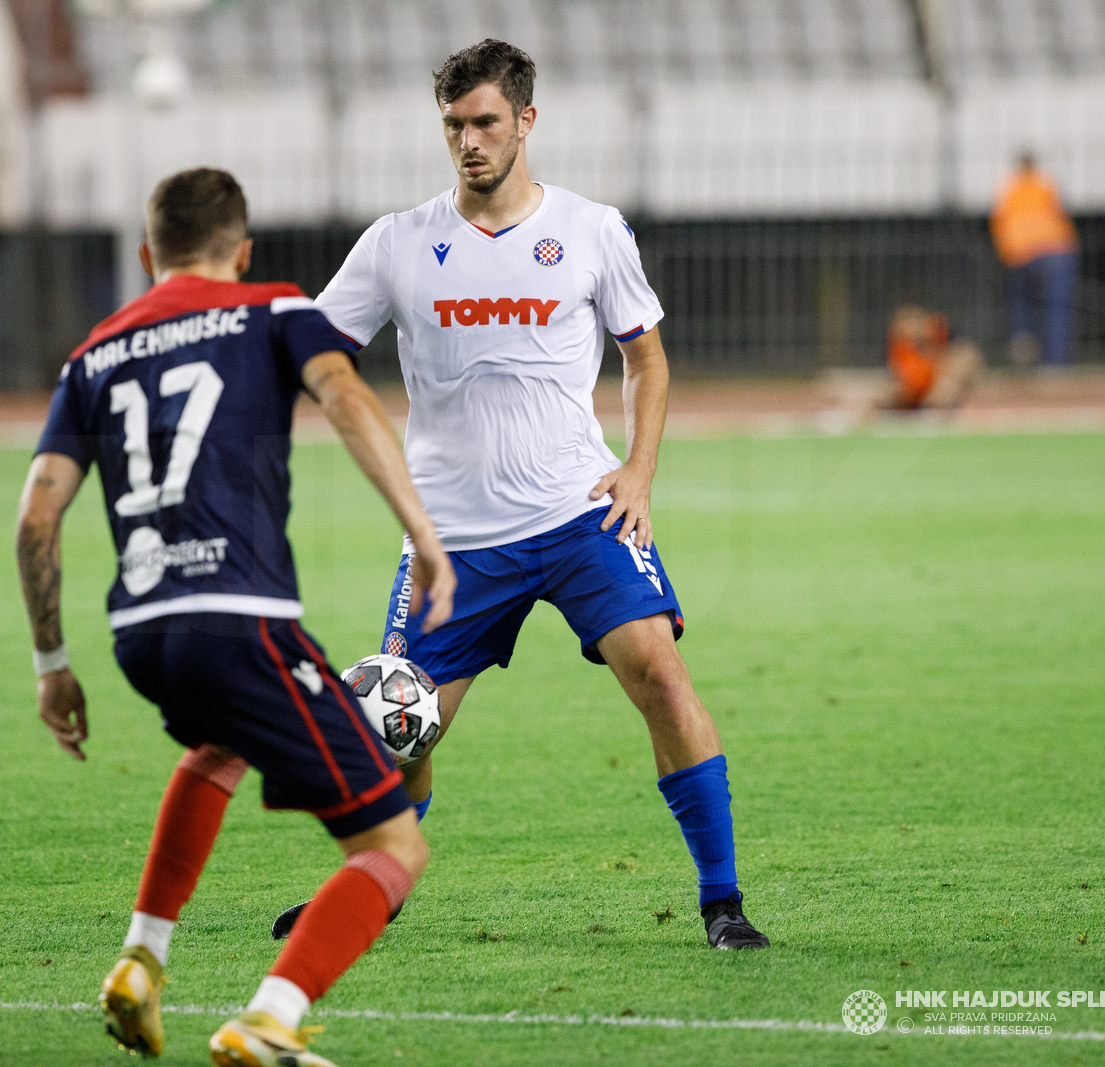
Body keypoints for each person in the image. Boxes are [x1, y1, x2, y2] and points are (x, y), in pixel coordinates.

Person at [270, 40, 768, 951]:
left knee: (660, 672)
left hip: (583, 512)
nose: (468, 140)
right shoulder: (396, 243)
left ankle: (722, 900)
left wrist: (640, 469)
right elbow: (310, 348)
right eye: (455, 124)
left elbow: (645, 356)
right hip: (452, 536)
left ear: (525, 123)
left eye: (486, 121)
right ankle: (376, 883)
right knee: (400, 728)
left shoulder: (590, 229)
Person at [16, 167, 456, 1066]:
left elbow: (36, 516)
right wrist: (423, 530)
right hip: (241, 621)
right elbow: (343, 397)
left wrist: (51, 660)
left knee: (217, 744)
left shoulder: (93, 354)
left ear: (149, 256)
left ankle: (141, 960)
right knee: (394, 847)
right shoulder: (275, 309)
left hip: (141, 634)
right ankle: (272, 1017)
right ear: (243, 248)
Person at [990, 151, 1079, 369]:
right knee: (1056, 307)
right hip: (1055, 248)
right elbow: (1059, 212)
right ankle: (1055, 363)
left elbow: (999, 222)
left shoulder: (1008, 186)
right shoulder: (1046, 182)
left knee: (1021, 298)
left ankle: (1023, 335)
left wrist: (1007, 252)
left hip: (1022, 251)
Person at [881, 305, 982, 411]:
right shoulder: (901, 348)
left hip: (942, 377)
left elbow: (965, 355)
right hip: (923, 387)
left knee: (940, 395)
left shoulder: (937, 330)